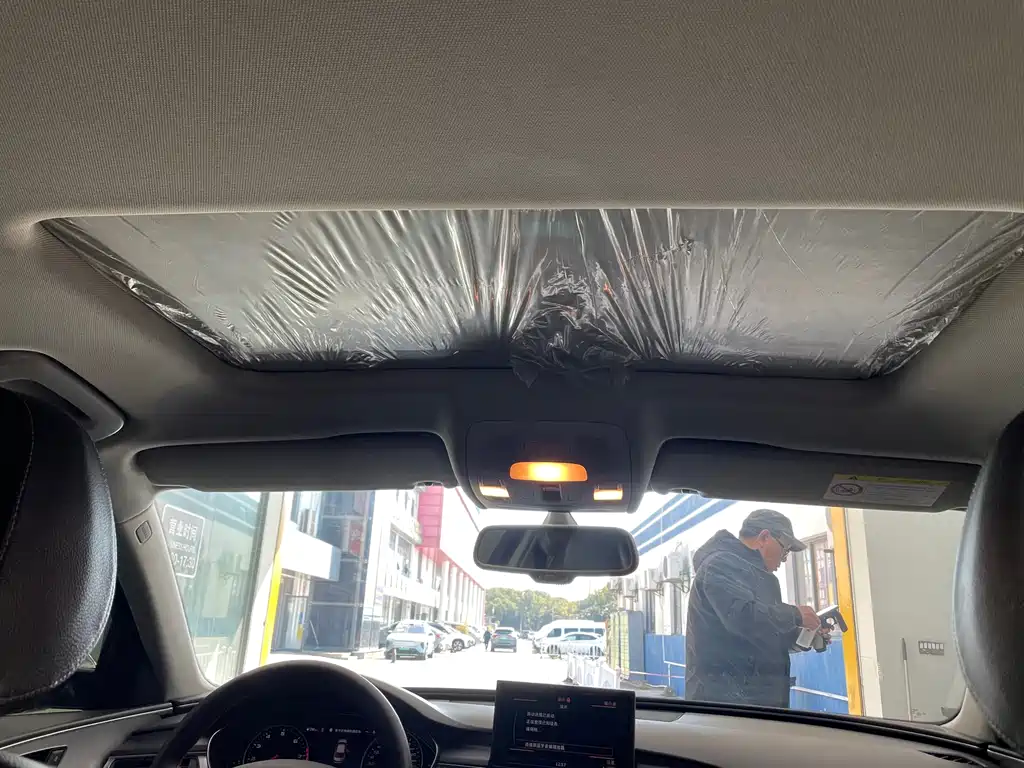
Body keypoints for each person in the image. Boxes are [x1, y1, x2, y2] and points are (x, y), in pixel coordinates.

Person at [685, 509, 822, 708]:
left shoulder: (757, 576)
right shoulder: (720, 565)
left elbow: (762, 634)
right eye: (785, 550)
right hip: (725, 705)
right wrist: (795, 615)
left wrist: (802, 636)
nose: (784, 559)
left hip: (754, 702)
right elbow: (742, 617)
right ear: (764, 537)